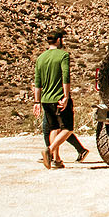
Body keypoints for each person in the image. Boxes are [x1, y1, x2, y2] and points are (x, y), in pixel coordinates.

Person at [32, 31, 87, 168]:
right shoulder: (63, 55)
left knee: (54, 128)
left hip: (45, 99)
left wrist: (37, 102)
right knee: (67, 128)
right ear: (58, 40)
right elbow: (65, 76)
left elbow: (37, 83)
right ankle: (49, 151)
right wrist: (66, 96)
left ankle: (57, 160)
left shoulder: (40, 58)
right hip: (58, 98)